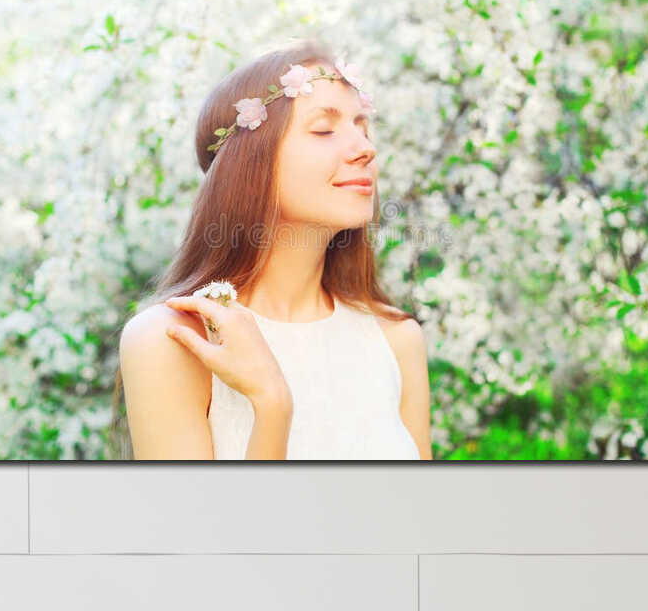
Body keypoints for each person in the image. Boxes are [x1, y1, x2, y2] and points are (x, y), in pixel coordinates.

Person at [118, 40, 430, 460]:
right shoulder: (173, 341)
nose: (365, 149)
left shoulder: (397, 341)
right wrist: (271, 404)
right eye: (324, 129)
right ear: (250, 163)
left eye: (363, 127)